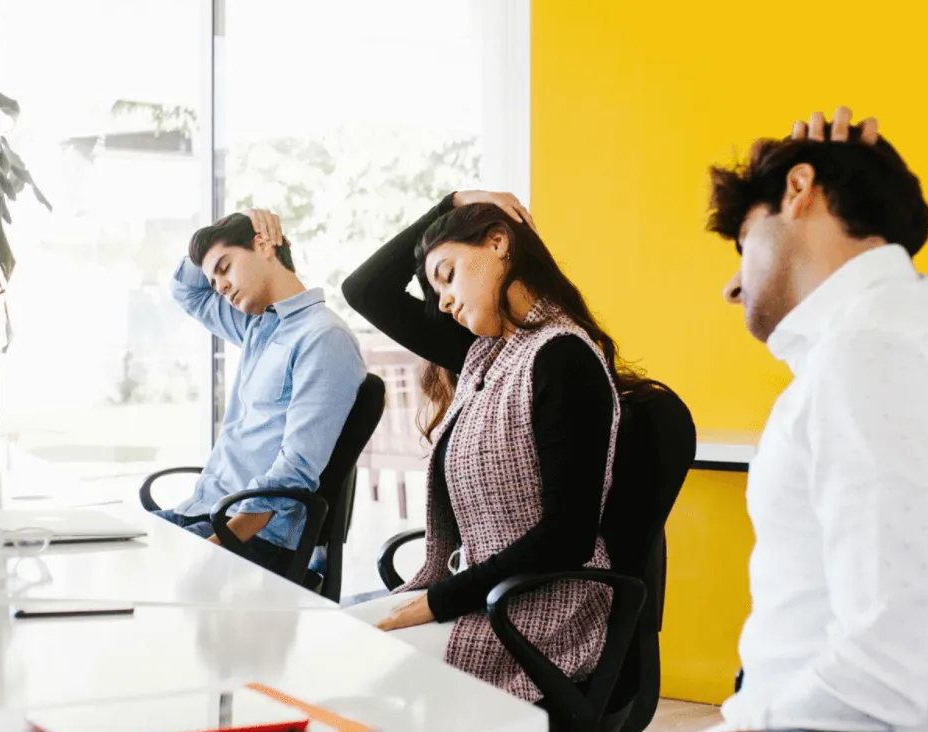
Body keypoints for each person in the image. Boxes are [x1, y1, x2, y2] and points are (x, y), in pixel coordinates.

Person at [465, 106, 928, 732]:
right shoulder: (921, 324)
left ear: (800, 191)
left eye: (745, 238)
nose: (733, 285)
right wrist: (864, 188)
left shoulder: (874, 353)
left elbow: (884, 662)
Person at [340, 190, 665, 702]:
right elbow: (364, 290)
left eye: (447, 274)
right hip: (483, 598)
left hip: (540, 617)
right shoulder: (485, 357)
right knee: (326, 645)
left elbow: (567, 537)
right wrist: (451, 201)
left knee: (350, 672)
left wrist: (438, 601)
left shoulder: (562, 357)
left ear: (498, 243)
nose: (443, 301)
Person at [155, 210, 366, 578]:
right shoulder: (256, 326)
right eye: (213, 278)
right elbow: (186, 290)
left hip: (249, 537)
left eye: (225, 267)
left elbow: (294, 472)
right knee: (109, 542)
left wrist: (214, 550)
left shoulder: (323, 338)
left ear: (264, 245)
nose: (218, 286)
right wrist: (234, 218)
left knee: (127, 576)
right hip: (201, 511)